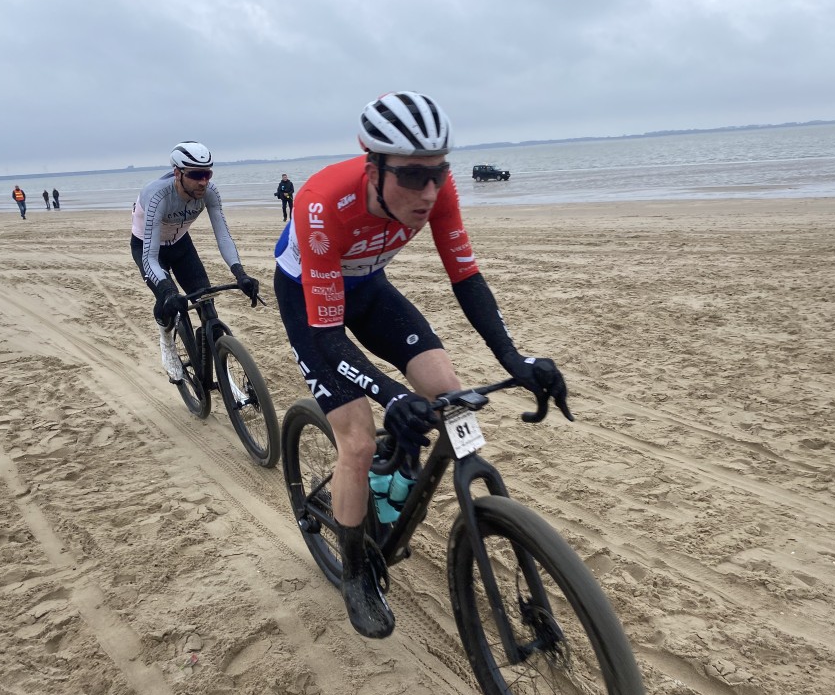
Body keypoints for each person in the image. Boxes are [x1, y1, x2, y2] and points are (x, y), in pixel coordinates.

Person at [273, 91, 572, 639]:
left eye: (439, 172)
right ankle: (357, 573)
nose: (429, 190)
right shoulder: (319, 204)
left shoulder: (437, 191)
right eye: (412, 176)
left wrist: (516, 358)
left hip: (369, 289)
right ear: (374, 166)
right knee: (359, 443)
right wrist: (392, 397)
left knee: (448, 392)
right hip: (311, 302)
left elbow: (466, 277)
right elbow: (328, 335)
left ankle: (400, 467)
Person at [130, 141, 260, 381]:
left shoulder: (210, 193)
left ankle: (223, 373)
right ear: (178, 173)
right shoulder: (157, 196)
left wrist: (240, 273)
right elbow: (149, 257)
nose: (203, 181)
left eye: (207, 173)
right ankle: (167, 342)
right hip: (149, 248)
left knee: (206, 301)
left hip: (181, 246)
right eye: (196, 175)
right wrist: (168, 290)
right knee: (166, 299)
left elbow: (223, 235)